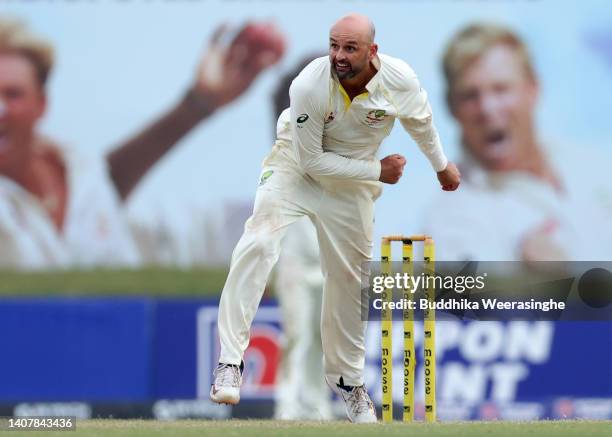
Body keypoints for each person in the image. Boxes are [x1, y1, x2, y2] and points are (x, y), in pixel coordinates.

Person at [209, 13, 460, 423]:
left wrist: (441, 166)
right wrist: (378, 172)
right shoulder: (309, 84)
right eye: (334, 46)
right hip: (296, 168)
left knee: (351, 278)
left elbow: (421, 122)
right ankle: (231, 361)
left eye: (349, 48)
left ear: (372, 51)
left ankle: (348, 382)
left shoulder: (400, 79)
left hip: (351, 181)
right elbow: (312, 161)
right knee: (258, 239)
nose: (338, 56)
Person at [0, 18, 284, 268]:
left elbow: (104, 185)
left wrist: (201, 102)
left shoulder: (79, 173)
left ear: (41, 104)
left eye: (13, 95)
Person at [422, 23, 612, 262]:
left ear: (533, 89)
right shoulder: (451, 225)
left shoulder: (594, 165)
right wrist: (544, 283)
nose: (487, 108)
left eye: (501, 89)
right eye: (470, 96)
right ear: (452, 108)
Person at [271, 56, 333, 421]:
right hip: (295, 261)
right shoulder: (288, 146)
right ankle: (287, 405)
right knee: (297, 336)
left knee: (323, 340)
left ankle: (316, 404)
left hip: (326, 263)